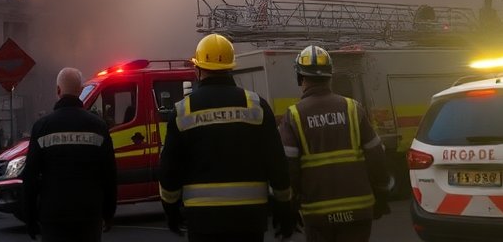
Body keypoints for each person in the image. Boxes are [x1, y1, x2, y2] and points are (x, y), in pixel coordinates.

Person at [159, 34, 292, 242]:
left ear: (198, 70)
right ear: (231, 67)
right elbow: (277, 163)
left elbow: (169, 171)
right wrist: (284, 207)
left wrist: (171, 210)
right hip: (249, 220)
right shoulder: (256, 105)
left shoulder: (183, 111)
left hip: (203, 222)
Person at [278, 45, 393, 242]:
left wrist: (289, 205)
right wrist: (382, 192)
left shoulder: (294, 116)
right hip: (359, 209)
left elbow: (289, 167)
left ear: (300, 77)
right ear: (330, 76)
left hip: (318, 213)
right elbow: (376, 155)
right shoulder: (353, 108)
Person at [21, 67, 117, 242]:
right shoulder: (98, 126)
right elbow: (109, 175)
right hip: (89, 214)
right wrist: (109, 213)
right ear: (81, 91)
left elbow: (30, 177)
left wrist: (30, 217)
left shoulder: (42, 127)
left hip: (53, 215)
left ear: (58, 91)